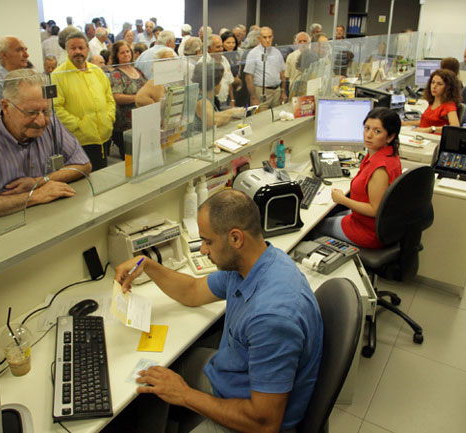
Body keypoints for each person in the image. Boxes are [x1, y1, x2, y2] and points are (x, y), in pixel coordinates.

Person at [113, 189, 322, 433]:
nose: (202, 250)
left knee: (164, 383)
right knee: (153, 375)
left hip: (251, 419)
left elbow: (265, 423)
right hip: (233, 376)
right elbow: (192, 291)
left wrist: (184, 395)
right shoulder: (254, 262)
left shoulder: (272, 317)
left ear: (235, 238)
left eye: (208, 241)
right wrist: (148, 265)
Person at [0, 69, 91, 224]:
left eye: (45, 111)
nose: (40, 121)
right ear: (5, 107)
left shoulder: (51, 124)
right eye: (31, 112)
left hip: (53, 221)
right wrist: (33, 196)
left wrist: (39, 181)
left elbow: (83, 164)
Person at [314, 108, 403, 249]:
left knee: (316, 227)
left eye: (377, 131)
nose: (368, 135)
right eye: (366, 128)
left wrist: (343, 200)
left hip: (368, 231)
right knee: (329, 216)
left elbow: (375, 210)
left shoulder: (380, 168)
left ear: (390, 137)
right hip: (373, 223)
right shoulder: (384, 154)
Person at [51, 32, 116, 171]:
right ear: (67, 51)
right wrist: (79, 125)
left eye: (81, 48)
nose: (77, 52)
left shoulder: (97, 71)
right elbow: (55, 108)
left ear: (87, 49)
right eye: (73, 48)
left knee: (103, 177)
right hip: (78, 141)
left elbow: (109, 98)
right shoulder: (57, 75)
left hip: (104, 137)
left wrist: (109, 117)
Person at [109, 41, 147, 158]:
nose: (126, 54)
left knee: (143, 156)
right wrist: (137, 98)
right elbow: (117, 97)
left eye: (127, 51)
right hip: (125, 125)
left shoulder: (138, 70)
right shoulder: (116, 74)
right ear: (116, 55)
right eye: (122, 52)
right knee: (130, 160)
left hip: (142, 121)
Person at [0, 36, 30, 119]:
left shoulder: (26, 78)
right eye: (19, 50)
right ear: (4, 54)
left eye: (26, 50)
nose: (26, 55)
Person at [191, 62, 245, 135]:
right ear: (215, 85)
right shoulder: (202, 101)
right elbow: (214, 121)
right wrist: (232, 112)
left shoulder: (206, 98)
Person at [403, 69, 461, 134]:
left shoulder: (449, 105)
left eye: (439, 84)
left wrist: (430, 129)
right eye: (433, 82)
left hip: (434, 139)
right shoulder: (433, 101)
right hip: (423, 136)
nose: (434, 86)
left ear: (448, 88)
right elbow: (425, 121)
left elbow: (455, 127)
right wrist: (404, 123)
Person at [244, 26, 287, 107]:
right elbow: (248, 77)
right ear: (259, 38)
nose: (267, 40)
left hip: (277, 91)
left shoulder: (277, 52)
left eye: (269, 37)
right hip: (261, 91)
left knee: (277, 116)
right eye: (264, 37)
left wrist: (283, 91)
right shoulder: (253, 53)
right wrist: (253, 97)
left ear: (273, 37)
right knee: (260, 118)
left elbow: (282, 74)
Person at [284, 32, 310, 97]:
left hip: (309, 89)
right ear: (296, 43)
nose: (302, 43)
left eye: (305, 41)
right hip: (294, 89)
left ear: (309, 42)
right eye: (300, 41)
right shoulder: (291, 56)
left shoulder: (313, 55)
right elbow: (287, 75)